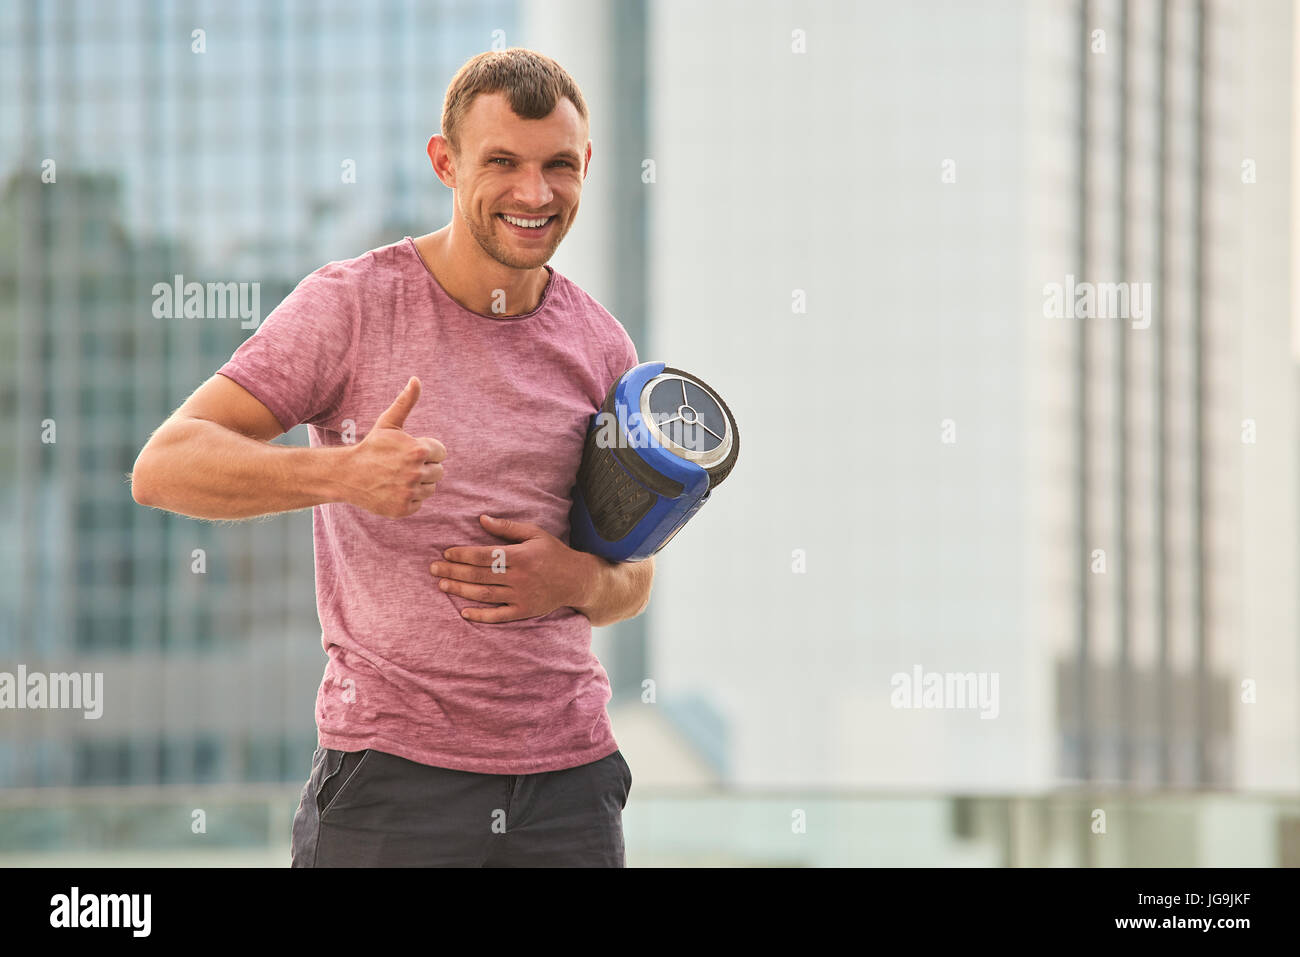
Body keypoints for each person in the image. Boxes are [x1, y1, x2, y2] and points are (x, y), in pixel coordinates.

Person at [130, 47, 654, 867]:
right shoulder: (352, 305)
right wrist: (341, 473)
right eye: (503, 162)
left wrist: (577, 581)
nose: (534, 192)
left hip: (569, 785)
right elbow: (165, 464)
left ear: (585, 164)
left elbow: (635, 576)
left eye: (558, 165)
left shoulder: (601, 345)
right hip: (393, 782)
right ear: (445, 162)